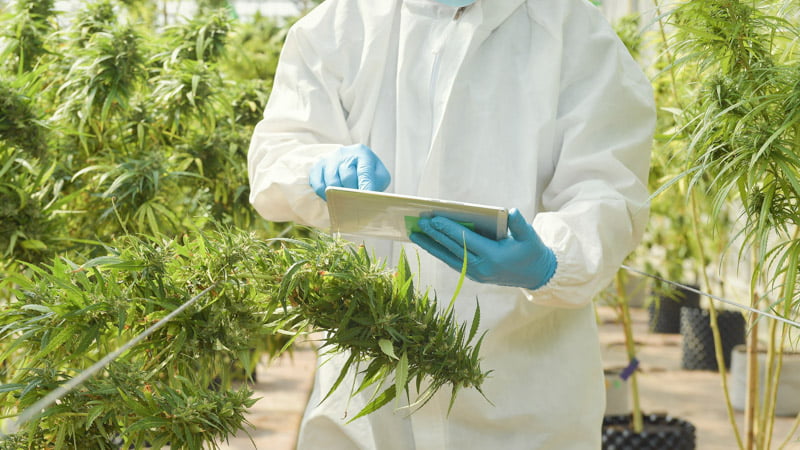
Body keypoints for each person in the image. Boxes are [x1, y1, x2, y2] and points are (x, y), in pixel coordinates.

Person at [248, 0, 655, 448]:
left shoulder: (573, 32)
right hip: (367, 397)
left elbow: (608, 188)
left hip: (521, 399)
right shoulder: (341, 25)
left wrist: (552, 261)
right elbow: (278, 149)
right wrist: (315, 167)